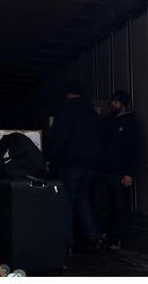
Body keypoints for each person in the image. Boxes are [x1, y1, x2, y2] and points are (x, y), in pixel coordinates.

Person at [48, 82, 103, 253]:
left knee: (66, 202)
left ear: (67, 94)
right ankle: (93, 236)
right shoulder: (91, 112)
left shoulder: (66, 108)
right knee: (82, 198)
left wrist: (50, 158)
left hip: (71, 163)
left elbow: (60, 136)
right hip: (91, 164)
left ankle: (67, 243)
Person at [97, 89, 140, 250]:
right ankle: (106, 236)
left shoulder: (130, 122)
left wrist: (129, 173)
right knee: (103, 205)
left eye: (116, 101)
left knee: (119, 206)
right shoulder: (107, 122)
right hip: (104, 171)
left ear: (123, 104)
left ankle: (118, 238)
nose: (113, 104)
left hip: (119, 173)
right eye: (113, 101)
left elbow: (135, 150)